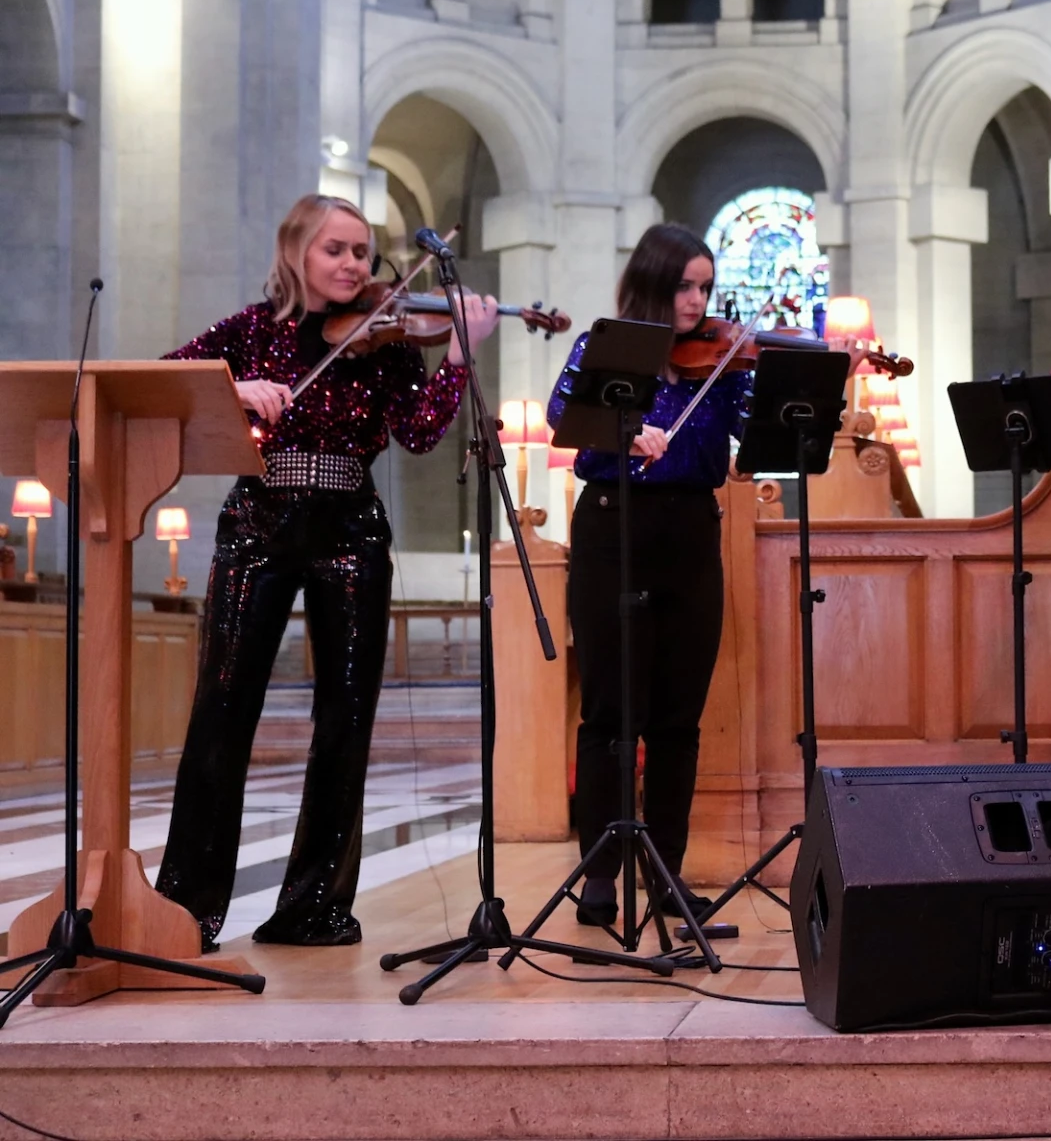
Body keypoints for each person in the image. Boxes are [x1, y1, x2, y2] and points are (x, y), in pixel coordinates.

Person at [156, 195, 499, 949]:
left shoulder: (388, 342)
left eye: (362, 254)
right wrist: (231, 389)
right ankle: (186, 907)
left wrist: (461, 354)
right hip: (257, 523)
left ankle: (311, 905)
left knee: (345, 721)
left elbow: (417, 434)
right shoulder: (249, 331)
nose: (352, 265)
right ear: (297, 252)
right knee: (221, 711)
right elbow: (160, 384)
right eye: (335, 250)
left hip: (350, 528)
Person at [548, 223, 744, 926]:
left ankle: (667, 874)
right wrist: (624, 432)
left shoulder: (723, 361)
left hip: (692, 531)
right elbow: (564, 416)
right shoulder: (610, 348)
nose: (697, 301)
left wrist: (813, 372)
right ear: (655, 285)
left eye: (705, 288)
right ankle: (599, 877)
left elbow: (757, 428)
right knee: (609, 715)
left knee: (677, 721)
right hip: (613, 529)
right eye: (685, 286)